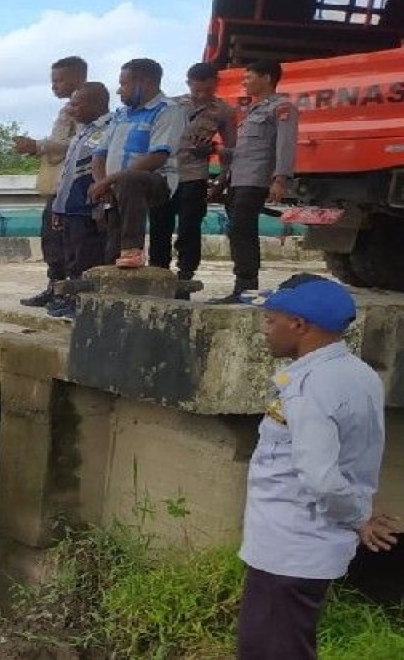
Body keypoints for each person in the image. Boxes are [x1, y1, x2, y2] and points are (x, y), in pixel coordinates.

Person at [237, 274, 397, 660]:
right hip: (304, 550)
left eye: (271, 320)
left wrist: (359, 517)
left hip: (289, 550)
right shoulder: (357, 373)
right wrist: (358, 509)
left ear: (299, 325)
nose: (265, 329)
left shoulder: (310, 389)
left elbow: (321, 478)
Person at [210, 60, 298, 304]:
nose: (244, 82)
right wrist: (220, 152)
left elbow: (285, 145)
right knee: (238, 230)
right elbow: (245, 150)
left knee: (242, 229)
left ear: (267, 78)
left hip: (256, 179)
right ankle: (243, 286)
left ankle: (246, 287)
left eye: (249, 77)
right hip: (238, 178)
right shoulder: (252, 110)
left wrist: (280, 179)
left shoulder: (282, 108)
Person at [88, 58, 187, 268]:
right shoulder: (120, 115)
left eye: (124, 84)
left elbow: (158, 156)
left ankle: (132, 250)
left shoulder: (168, 111)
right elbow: (99, 154)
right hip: (116, 185)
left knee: (130, 181)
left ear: (144, 82)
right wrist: (101, 182)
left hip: (154, 182)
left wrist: (109, 181)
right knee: (112, 242)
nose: (119, 90)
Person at [150, 63, 237, 297]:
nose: (202, 95)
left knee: (189, 227)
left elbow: (231, 149)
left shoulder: (224, 111)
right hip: (165, 174)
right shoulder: (171, 105)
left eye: (207, 90)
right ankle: (158, 273)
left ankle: (185, 277)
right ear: (188, 84)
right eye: (197, 90)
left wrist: (219, 171)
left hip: (195, 175)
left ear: (216, 84)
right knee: (160, 225)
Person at [16, 56, 87, 306]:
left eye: (59, 80)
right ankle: (55, 287)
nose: (54, 86)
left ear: (77, 78)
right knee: (52, 237)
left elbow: (78, 144)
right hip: (60, 184)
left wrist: (38, 146)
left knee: (64, 239)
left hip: (72, 184)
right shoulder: (68, 108)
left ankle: (66, 291)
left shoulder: (83, 108)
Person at [45, 82, 112, 319]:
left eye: (76, 104)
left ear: (96, 104)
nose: (71, 109)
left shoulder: (108, 129)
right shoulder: (82, 132)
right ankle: (73, 299)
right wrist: (59, 207)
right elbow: (68, 173)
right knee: (72, 257)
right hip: (71, 206)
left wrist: (101, 206)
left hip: (88, 207)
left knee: (88, 257)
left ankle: (85, 303)